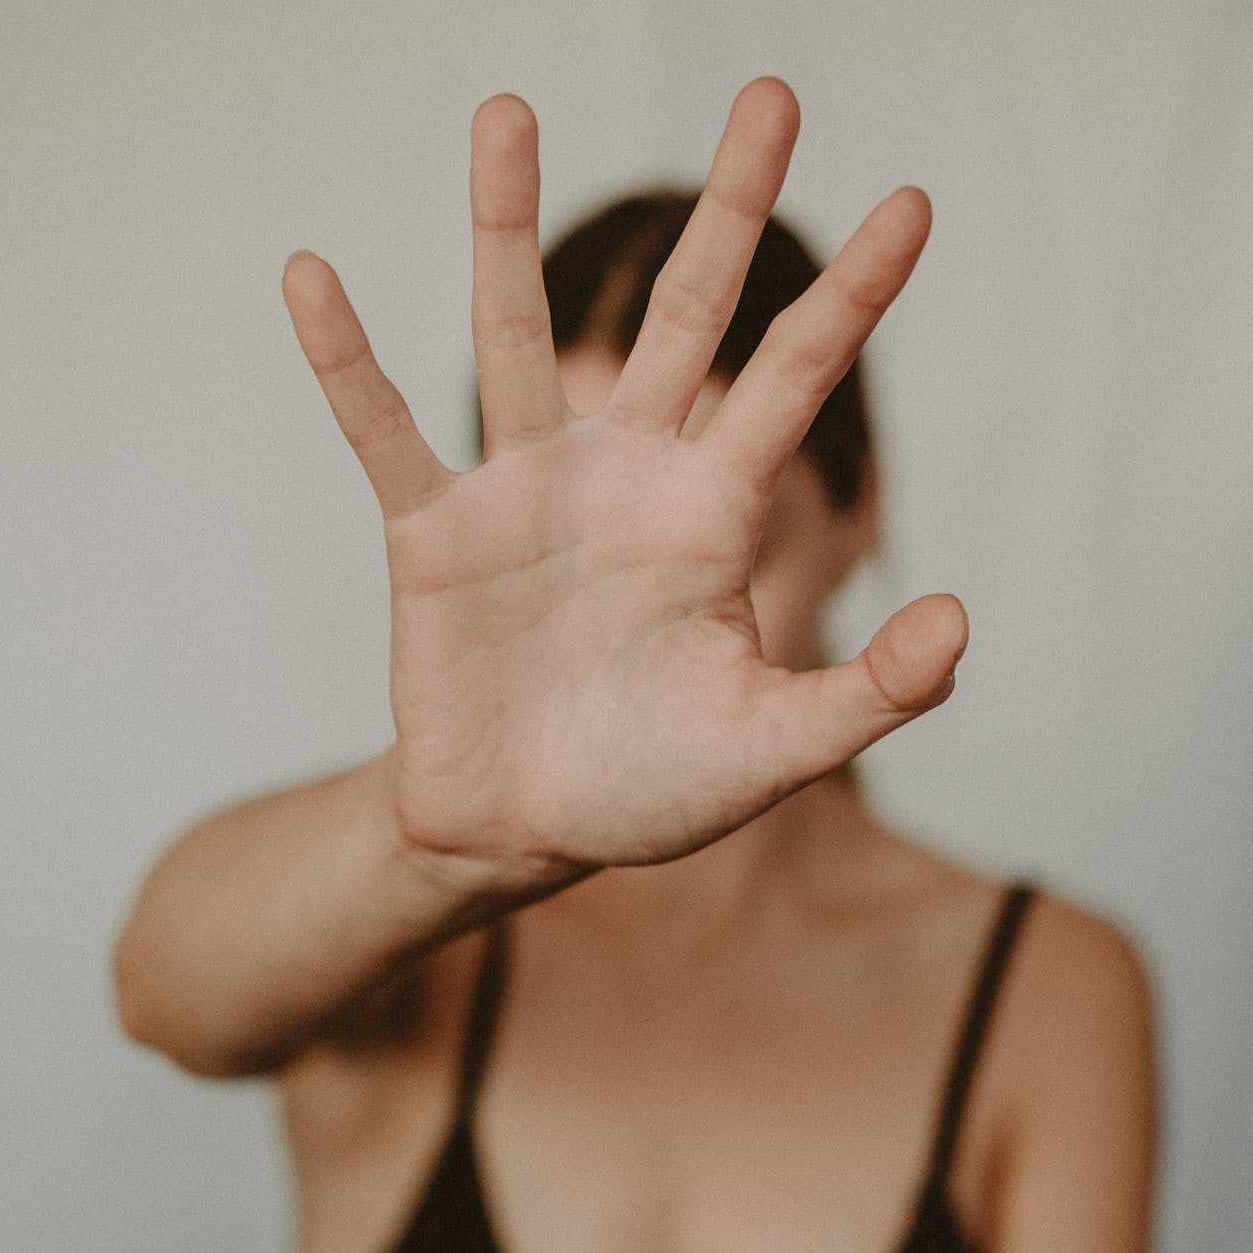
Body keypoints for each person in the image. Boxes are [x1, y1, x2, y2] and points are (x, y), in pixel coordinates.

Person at [112, 77, 1157, 1251]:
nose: (633, 634)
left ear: (857, 506)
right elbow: (161, 994)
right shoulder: (411, 939)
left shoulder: (1041, 985)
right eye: (583, 566)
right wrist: (429, 838)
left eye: (724, 546)